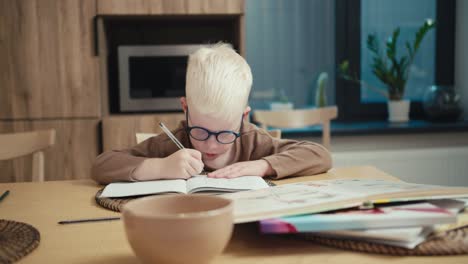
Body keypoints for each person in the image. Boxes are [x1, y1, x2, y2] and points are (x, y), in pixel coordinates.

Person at [91, 43, 332, 184]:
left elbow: (319, 155)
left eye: (225, 133)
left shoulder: (253, 140)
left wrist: (263, 166)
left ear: (243, 117)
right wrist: (159, 168)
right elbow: (101, 165)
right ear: (185, 109)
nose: (211, 145)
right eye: (201, 131)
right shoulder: (171, 144)